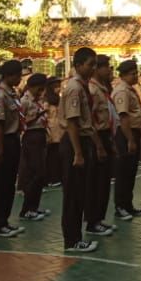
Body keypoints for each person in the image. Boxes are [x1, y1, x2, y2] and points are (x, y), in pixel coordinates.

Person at [59, 47, 99, 253]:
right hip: (75, 142)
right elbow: (73, 121)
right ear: (78, 65)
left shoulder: (82, 86)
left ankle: (76, 237)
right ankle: (72, 240)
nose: (93, 68)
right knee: (73, 193)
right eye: (90, 64)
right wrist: (78, 153)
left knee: (80, 191)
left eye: (95, 64)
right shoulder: (74, 88)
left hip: (82, 141)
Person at [0, 60, 25, 238]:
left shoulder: (12, 93)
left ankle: (4, 220)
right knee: (0, 185)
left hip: (13, 139)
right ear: (9, 75)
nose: (20, 78)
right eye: (18, 75)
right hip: (4, 140)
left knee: (9, 183)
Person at [112, 59, 141, 221]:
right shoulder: (122, 91)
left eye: (136, 73)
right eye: (133, 74)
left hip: (133, 133)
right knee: (123, 172)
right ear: (124, 75)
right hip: (126, 134)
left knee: (131, 172)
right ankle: (120, 206)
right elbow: (123, 116)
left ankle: (128, 204)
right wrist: (130, 139)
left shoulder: (129, 89)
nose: (136, 76)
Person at [86, 55, 116, 238]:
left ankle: (99, 218)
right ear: (97, 69)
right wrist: (99, 145)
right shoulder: (92, 89)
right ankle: (92, 221)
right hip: (97, 137)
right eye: (107, 68)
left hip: (106, 135)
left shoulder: (103, 89)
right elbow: (90, 120)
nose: (110, 71)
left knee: (104, 182)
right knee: (95, 182)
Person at [18, 73, 50, 220]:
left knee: (41, 174)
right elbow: (21, 122)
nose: (41, 91)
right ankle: (26, 209)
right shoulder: (24, 101)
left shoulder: (38, 100)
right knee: (35, 174)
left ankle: (34, 207)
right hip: (31, 137)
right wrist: (37, 115)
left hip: (40, 135)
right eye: (39, 88)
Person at [44, 77, 63, 187]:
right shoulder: (46, 100)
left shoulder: (59, 99)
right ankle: (52, 177)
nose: (58, 88)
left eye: (58, 85)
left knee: (58, 155)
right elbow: (45, 117)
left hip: (60, 131)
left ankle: (58, 176)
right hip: (51, 131)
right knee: (51, 156)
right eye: (55, 86)